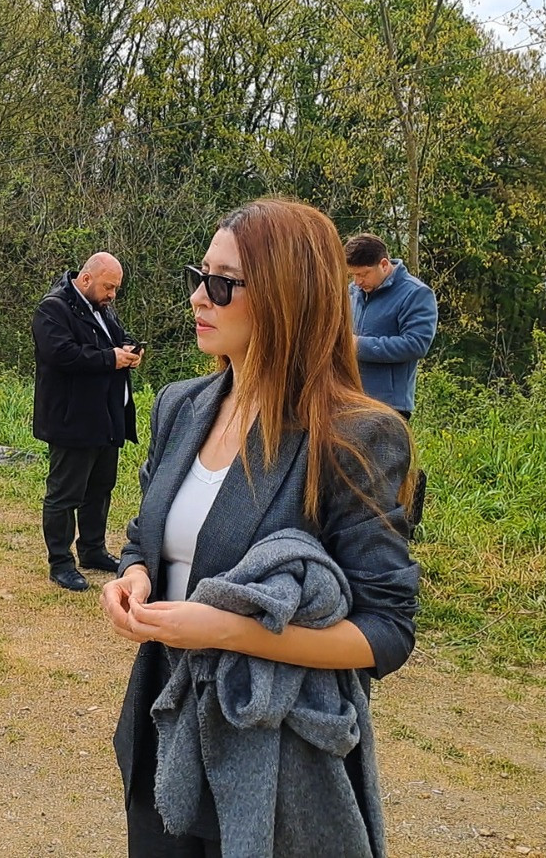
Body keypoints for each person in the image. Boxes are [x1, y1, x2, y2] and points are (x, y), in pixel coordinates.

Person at [101, 199, 420, 856]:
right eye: (200, 275)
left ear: (286, 297)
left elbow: (386, 631)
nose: (199, 296)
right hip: (163, 722)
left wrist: (226, 631)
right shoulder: (180, 406)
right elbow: (147, 536)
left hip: (273, 755)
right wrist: (132, 575)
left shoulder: (356, 437)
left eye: (224, 284)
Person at [32, 251, 143, 592]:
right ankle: (61, 563)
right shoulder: (53, 309)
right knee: (65, 495)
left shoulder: (102, 308)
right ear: (86, 279)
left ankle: (93, 550)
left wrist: (129, 349)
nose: (113, 294)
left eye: (116, 288)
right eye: (109, 287)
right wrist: (110, 359)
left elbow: (115, 339)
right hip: (71, 420)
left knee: (100, 488)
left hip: (105, 417)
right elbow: (60, 354)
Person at [345, 232, 436, 528]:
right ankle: (359, 531)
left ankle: (401, 527)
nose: (357, 281)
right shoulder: (352, 292)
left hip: (390, 402)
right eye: (353, 275)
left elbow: (416, 344)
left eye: (363, 274)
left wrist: (358, 346)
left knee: (387, 474)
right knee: (352, 473)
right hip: (350, 397)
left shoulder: (416, 294)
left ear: (384, 264)